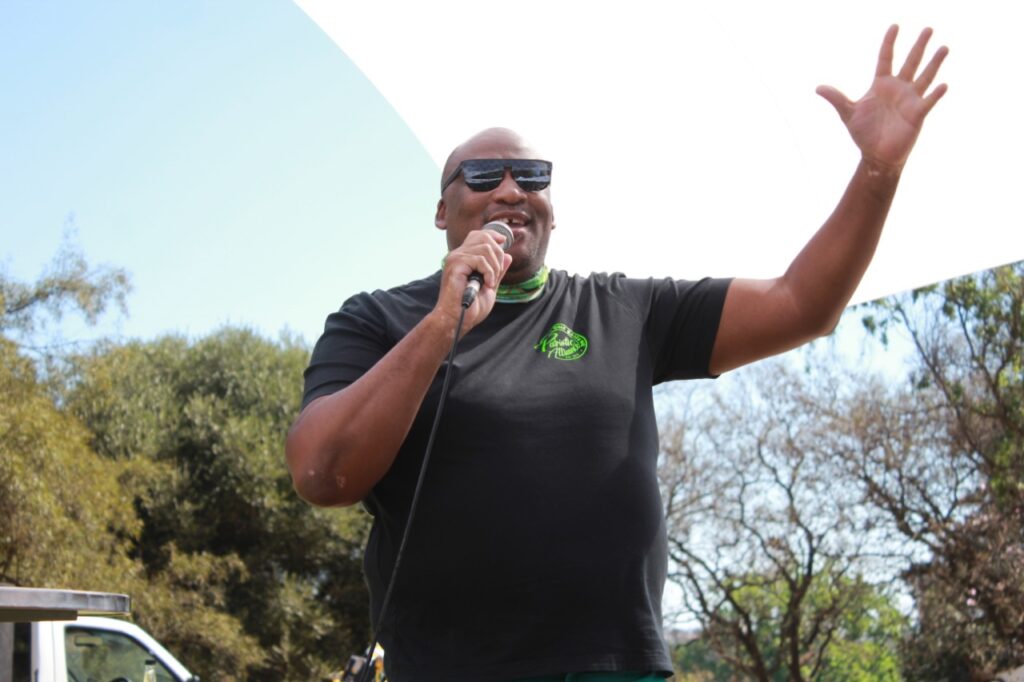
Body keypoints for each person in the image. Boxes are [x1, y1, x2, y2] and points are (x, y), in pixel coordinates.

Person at [286, 25, 948, 682]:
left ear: (552, 207)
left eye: (533, 176)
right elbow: (322, 474)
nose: (511, 190)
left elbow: (802, 304)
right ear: (442, 211)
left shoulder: (626, 310)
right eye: (484, 175)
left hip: (617, 669)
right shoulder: (376, 320)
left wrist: (878, 171)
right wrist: (440, 326)